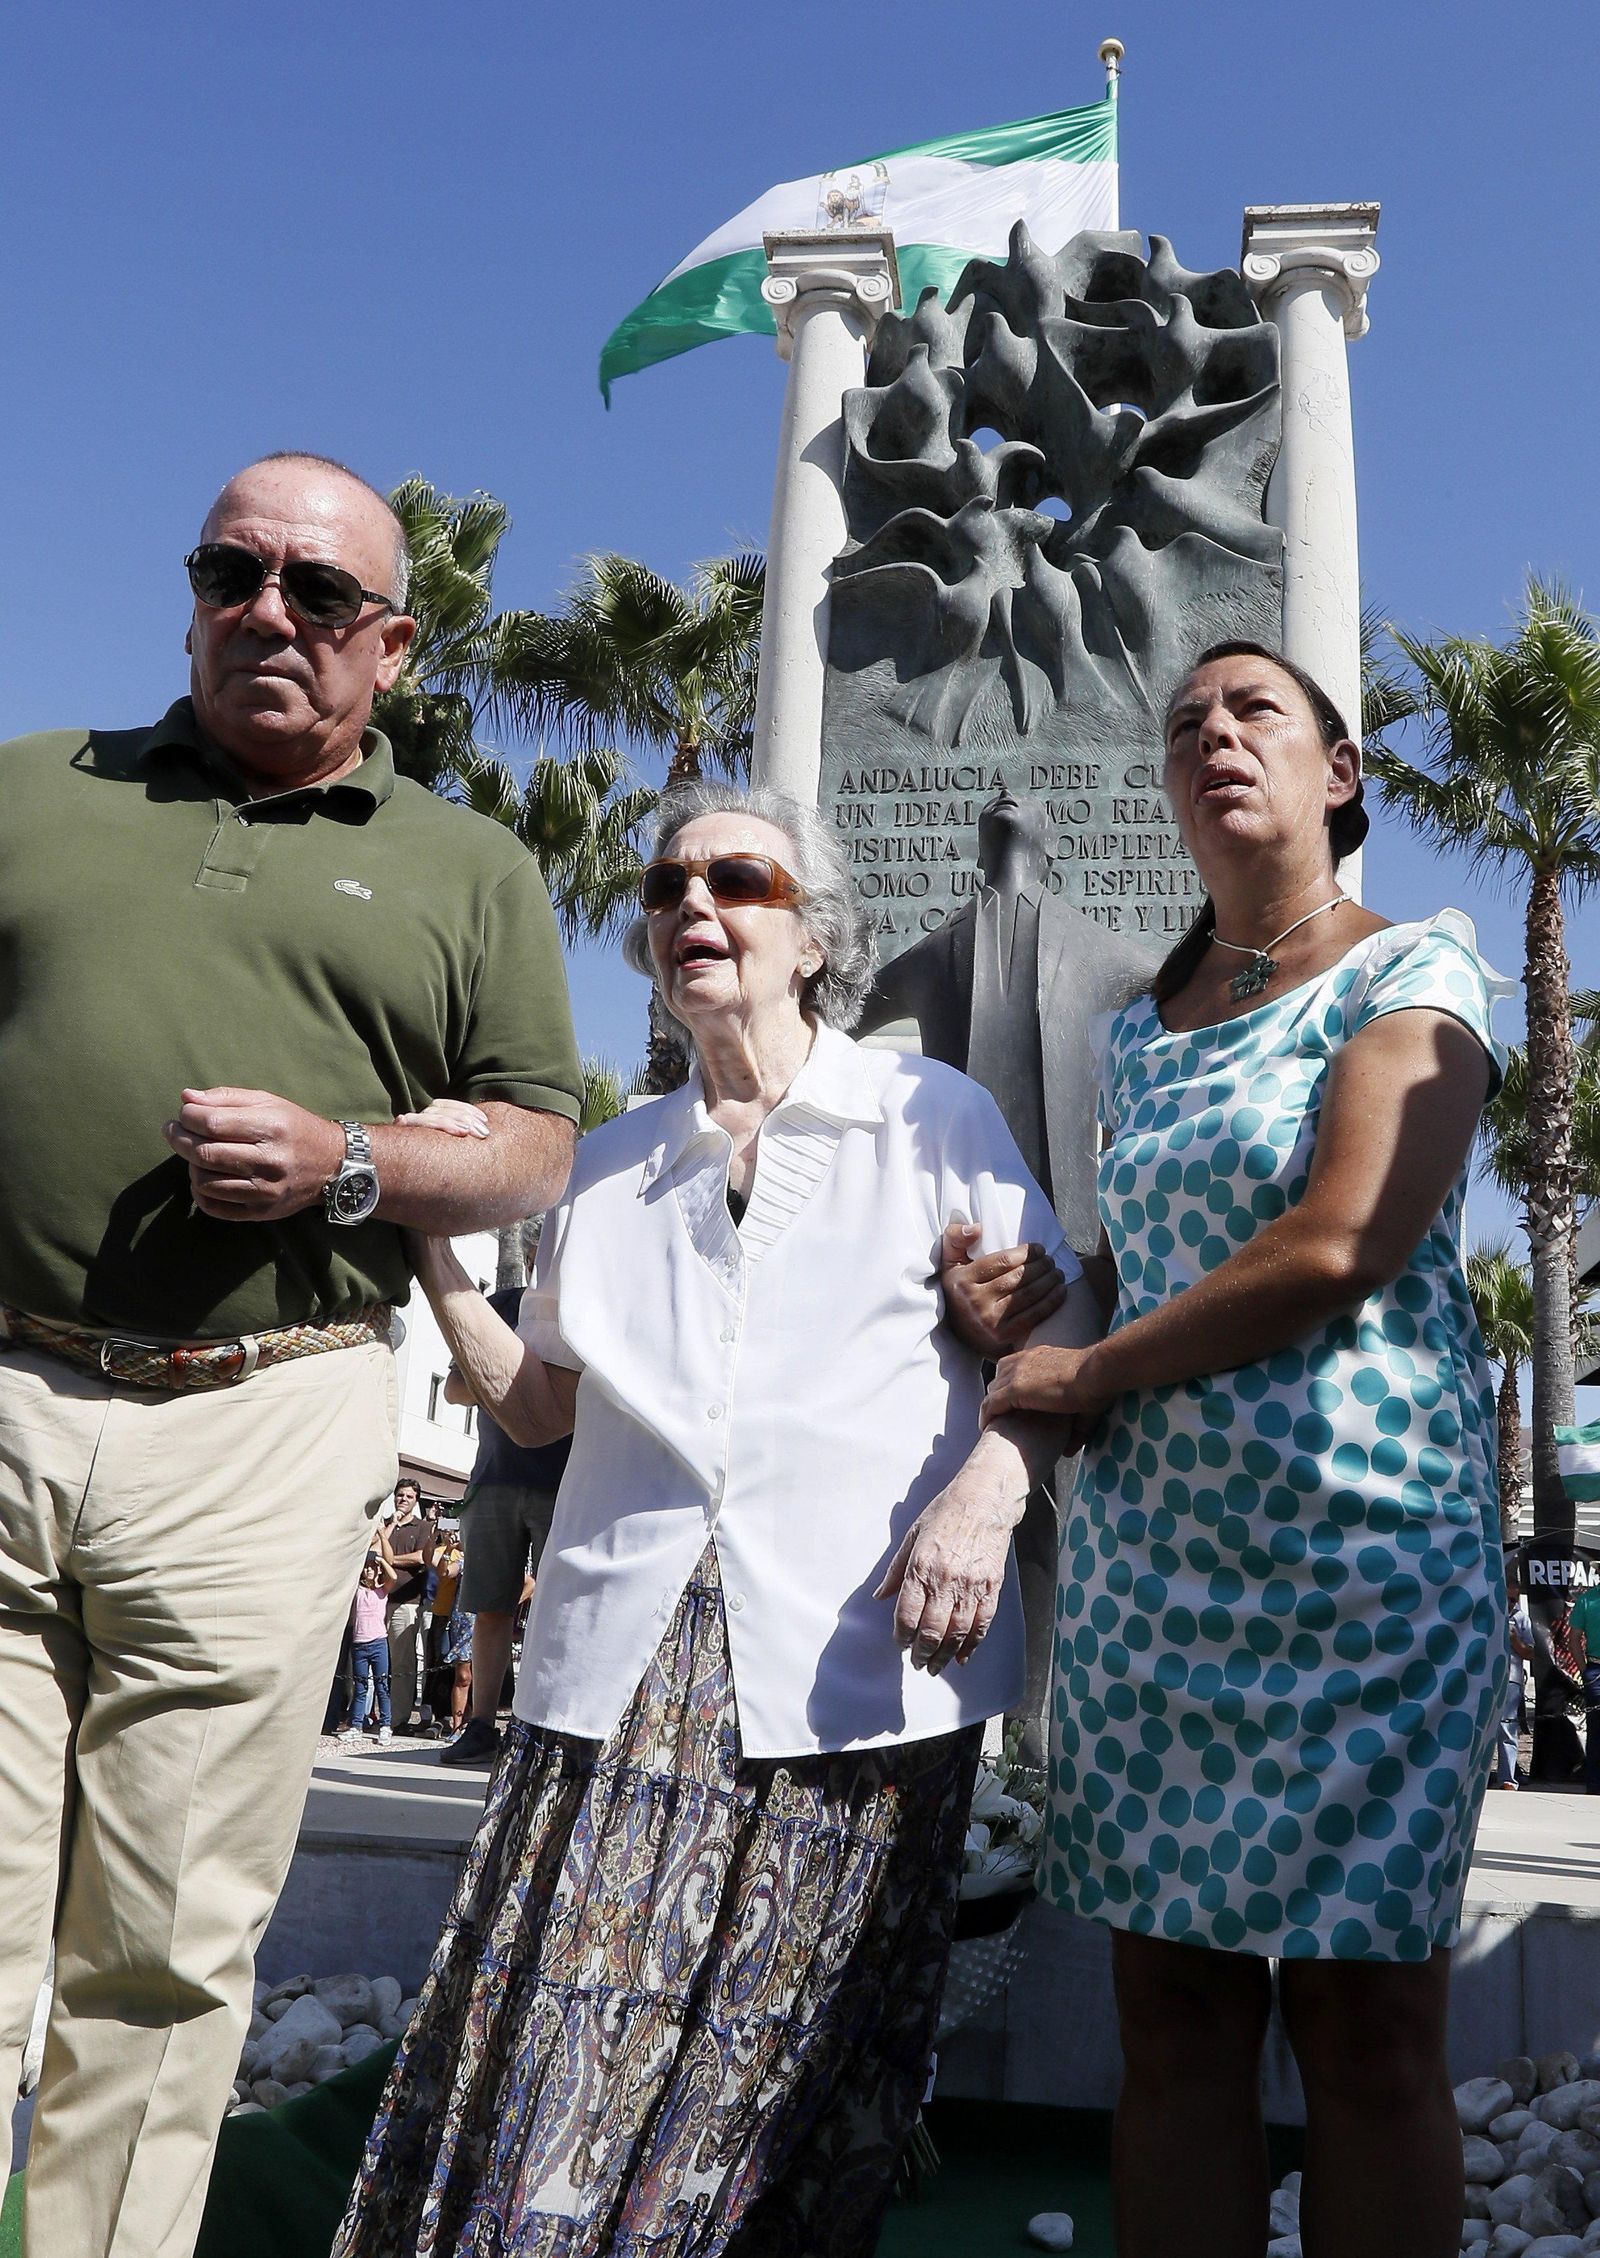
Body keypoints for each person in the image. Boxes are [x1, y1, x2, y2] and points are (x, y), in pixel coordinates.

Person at [334, 781, 1098, 2258]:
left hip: (862, 1667)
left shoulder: (931, 1116)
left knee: (806, 2069)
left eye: (735, 879)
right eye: (667, 883)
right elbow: (540, 1407)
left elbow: (1052, 1331)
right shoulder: (611, 1161)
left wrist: (988, 1491)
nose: (691, 904)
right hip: (617, 1668)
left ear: (813, 937)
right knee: (569, 2037)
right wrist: (432, 1245)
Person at [0, 452, 583, 2258]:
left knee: (165, 1948)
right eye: (233, 571)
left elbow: (535, 1137)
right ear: (188, 595)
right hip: (4, 1383)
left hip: (266, 1423)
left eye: (319, 594)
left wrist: (349, 1157)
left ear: (391, 646)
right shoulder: (32, 792)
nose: (269, 609)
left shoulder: (466, 869)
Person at [984, 642, 1512, 2258]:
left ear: (1340, 773)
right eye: (1187, 722)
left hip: (1365, 1567)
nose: (1216, 734)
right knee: (1175, 2013)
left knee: (1368, 2031)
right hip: (1162, 1580)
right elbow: (1143, 1267)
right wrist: (1037, 1298)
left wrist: (1083, 1363)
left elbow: (1335, 1241)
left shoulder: (1415, 970)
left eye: (1255, 711)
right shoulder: (1143, 1030)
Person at [439, 1281, 571, 1767]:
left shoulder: (581, 1299)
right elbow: (453, 1389)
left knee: (558, 1611)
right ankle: (480, 1727)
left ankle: (545, 1728)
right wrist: (522, 1377)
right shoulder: (501, 1306)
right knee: (490, 1609)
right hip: (494, 1479)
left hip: (563, 1482)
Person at [383, 1475, 434, 1732]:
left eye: (409, 1497)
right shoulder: (386, 1525)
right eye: (400, 1495)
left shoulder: (422, 1527)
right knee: (382, 1660)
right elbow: (374, 1548)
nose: (403, 1500)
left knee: (403, 1661)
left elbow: (421, 1558)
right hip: (379, 1599)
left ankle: (399, 1718)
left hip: (408, 1601)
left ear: (416, 1501)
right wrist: (390, 1527)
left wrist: (390, 1559)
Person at [342, 1551, 398, 1744]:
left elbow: (394, 1577)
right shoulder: (357, 1590)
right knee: (360, 1687)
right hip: (359, 1644)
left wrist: (381, 1560)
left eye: (373, 1568)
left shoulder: (381, 1591)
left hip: (378, 1643)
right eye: (366, 1568)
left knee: (382, 1686)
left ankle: (385, 1725)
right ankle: (356, 1725)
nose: (369, 1571)